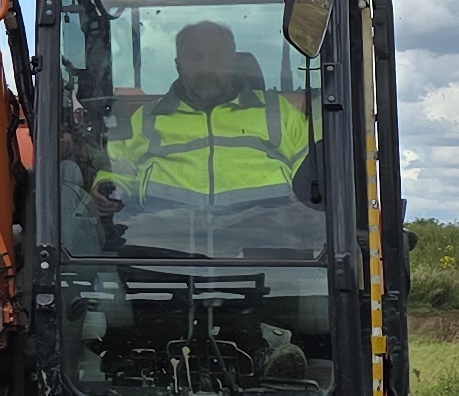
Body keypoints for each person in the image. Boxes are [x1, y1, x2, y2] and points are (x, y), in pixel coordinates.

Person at [108, 21, 315, 253]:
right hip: (163, 246)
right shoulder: (146, 117)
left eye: (216, 57)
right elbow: (117, 167)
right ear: (179, 65)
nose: (206, 67)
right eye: (195, 57)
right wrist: (105, 186)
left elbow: (311, 173)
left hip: (264, 246)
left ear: (232, 62)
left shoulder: (277, 111)